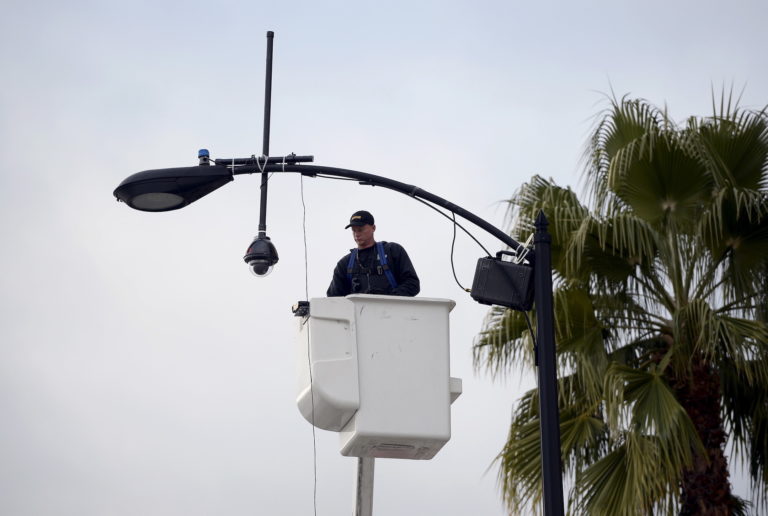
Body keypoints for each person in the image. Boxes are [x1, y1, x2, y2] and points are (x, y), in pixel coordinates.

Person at [327, 210, 420, 297]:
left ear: (373, 228)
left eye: (360, 229)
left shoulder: (393, 251)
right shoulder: (344, 264)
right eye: (353, 230)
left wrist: (386, 299)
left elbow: (412, 284)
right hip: (358, 313)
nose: (356, 234)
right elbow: (333, 299)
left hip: (392, 312)